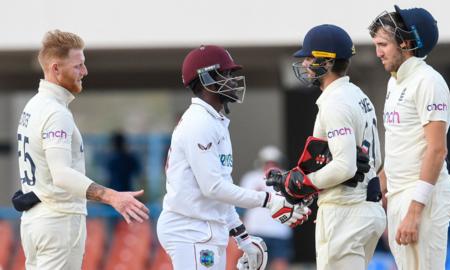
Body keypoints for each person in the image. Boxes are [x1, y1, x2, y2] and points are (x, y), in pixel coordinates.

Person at [156, 45, 310, 270]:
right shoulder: (199, 123)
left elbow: (222, 190)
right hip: (190, 229)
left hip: (204, 228)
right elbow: (213, 188)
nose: (233, 81)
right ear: (206, 79)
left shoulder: (214, 121)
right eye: (226, 75)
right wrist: (268, 201)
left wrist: (242, 237)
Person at [13, 30, 150, 270]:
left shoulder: (33, 105)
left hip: (35, 220)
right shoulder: (55, 113)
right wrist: (112, 196)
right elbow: (62, 174)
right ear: (56, 69)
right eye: (78, 66)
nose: (84, 72)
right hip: (58, 221)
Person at [269, 24, 387, 269]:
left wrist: (303, 182)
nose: (304, 65)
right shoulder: (358, 95)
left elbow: (344, 166)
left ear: (328, 62)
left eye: (309, 58)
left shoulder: (335, 101)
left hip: (345, 210)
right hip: (366, 209)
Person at [369, 5, 450, 269]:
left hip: (422, 201)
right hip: (398, 197)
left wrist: (415, 210)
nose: (378, 53)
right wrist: (373, 192)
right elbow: (400, 147)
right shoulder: (394, 83)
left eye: (383, 44)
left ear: (406, 42)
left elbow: (437, 150)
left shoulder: (428, 81)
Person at [240, 145, 293, 270]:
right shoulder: (251, 178)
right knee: (253, 265)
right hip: (254, 230)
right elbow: (240, 206)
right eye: (267, 162)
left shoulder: (288, 178)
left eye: (273, 162)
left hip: (279, 231)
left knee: (280, 264)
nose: (270, 165)